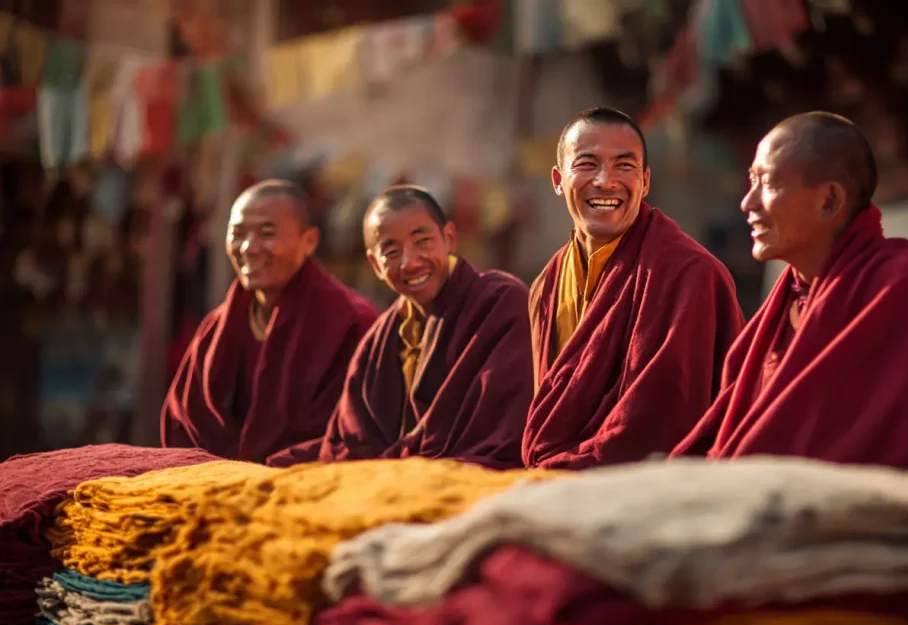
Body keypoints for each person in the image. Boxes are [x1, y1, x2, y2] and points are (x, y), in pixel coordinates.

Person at [671, 111, 908, 499]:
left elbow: (902, 460)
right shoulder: (789, 299)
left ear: (829, 201)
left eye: (766, 183)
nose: (746, 202)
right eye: (751, 181)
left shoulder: (902, 290)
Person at [524, 107, 745, 470]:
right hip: (556, 478)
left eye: (624, 166)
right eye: (587, 164)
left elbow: (666, 425)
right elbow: (552, 416)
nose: (606, 181)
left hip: (656, 488)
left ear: (645, 181)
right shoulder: (546, 286)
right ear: (558, 180)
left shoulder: (690, 274)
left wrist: (565, 468)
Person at [274, 185, 533, 469]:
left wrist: (399, 464)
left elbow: (502, 430)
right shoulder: (381, 337)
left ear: (449, 238)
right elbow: (353, 439)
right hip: (399, 473)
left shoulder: (499, 302)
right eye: (391, 251)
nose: (409, 263)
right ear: (375, 265)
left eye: (422, 241)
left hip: (472, 473)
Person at [161, 179, 379, 463]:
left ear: (309, 241)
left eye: (267, 234)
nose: (248, 248)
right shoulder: (216, 327)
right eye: (237, 233)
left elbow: (360, 434)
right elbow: (181, 422)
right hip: (214, 481)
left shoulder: (352, 323)